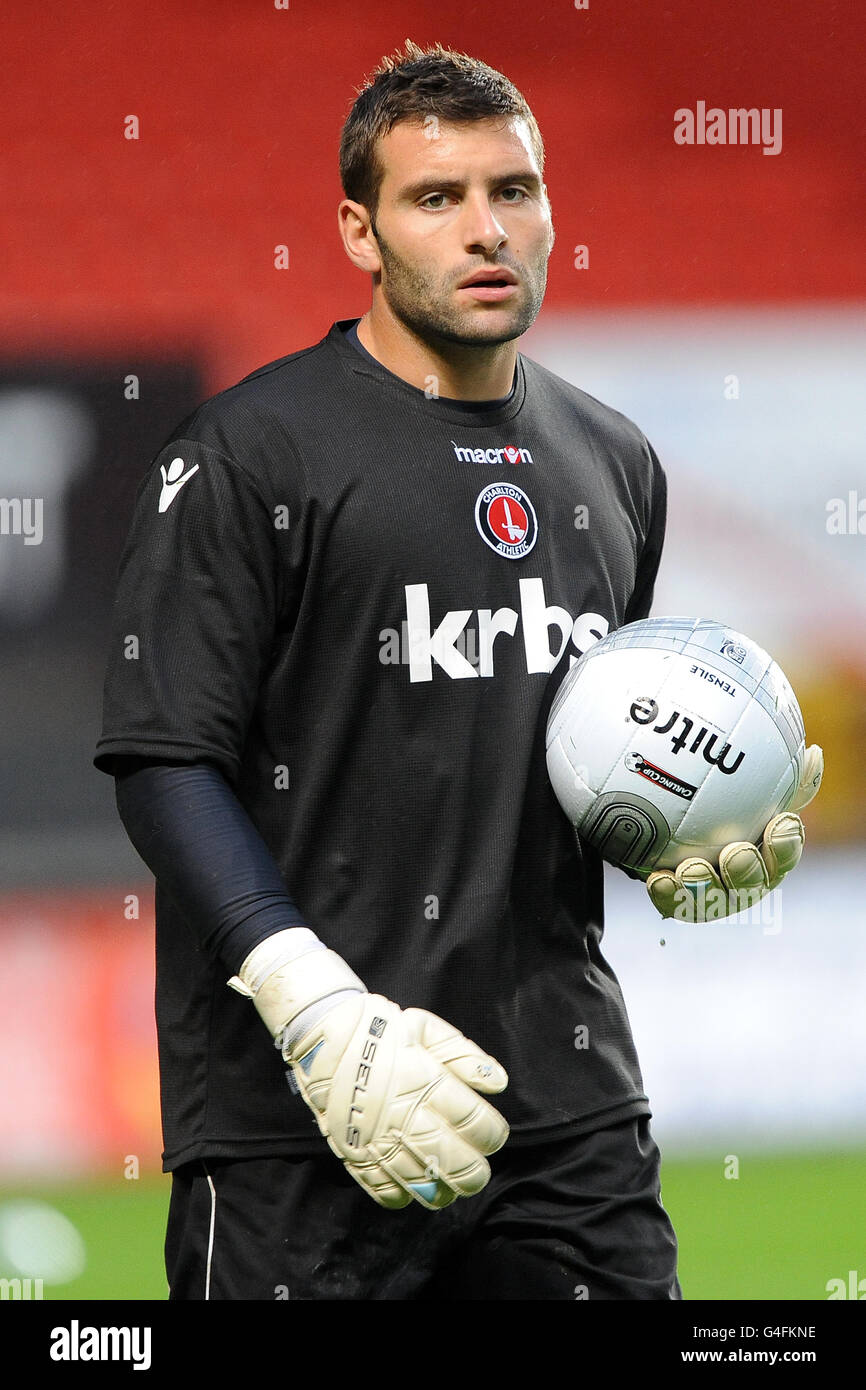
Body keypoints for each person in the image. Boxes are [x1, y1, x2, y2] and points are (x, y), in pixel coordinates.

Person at [94, 39, 820, 1301]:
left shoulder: (612, 462)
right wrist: (310, 1002)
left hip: (561, 1110)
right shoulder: (249, 455)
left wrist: (675, 847)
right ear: (358, 232)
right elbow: (164, 757)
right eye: (436, 198)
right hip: (306, 1108)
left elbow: (565, 761)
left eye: (512, 191)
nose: (485, 230)